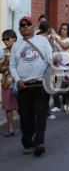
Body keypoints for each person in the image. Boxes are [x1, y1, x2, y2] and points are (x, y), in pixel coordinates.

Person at [10, 16, 53, 156]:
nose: (25, 27)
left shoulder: (42, 41)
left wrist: (55, 63)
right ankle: (28, 142)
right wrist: (17, 80)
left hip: (41, 84)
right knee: (26, 116)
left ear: (33, 26)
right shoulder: (16, 46)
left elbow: (50, 59)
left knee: (40, 115)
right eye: (22, 26)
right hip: (24, 87)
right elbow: (12, 66)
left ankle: (39, 142)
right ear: (19, 29)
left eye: (28, 24)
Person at [51, 23, 69, 113]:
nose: (63, 31)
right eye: (62, 29)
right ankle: (57, 105)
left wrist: (56, 39)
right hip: (57, 64)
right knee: (55, 85)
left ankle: (65, 103)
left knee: (66, 85)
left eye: (65, 29)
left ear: (68, 31)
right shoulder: (56, 37)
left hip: (66, 65)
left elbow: (65, 46)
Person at [0, 30, 18, 137]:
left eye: (7, 39)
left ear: (14, 39)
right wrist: (9, 67)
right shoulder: (3, 52)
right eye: (4, 39)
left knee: (22, 106)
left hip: (19, 82)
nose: (5, 41)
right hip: (7, 82)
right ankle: (11, 129)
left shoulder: (20, 50)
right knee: (8, 107)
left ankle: (27, 127)